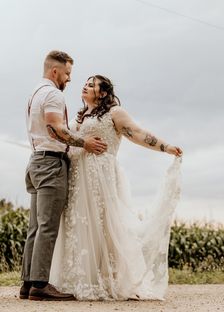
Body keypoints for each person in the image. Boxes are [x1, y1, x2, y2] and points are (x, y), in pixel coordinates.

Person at [49, 75, 183, 300]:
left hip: (100, 175)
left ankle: (106, 279)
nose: (86, 85)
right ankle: (79, 279)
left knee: (102, 225)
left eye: (92, 84)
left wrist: (166, 147)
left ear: (102, 93)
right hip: (77, 177)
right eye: (86, 82)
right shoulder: (80, 116)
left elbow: (138, 133)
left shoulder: (114, 112)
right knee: (78, 224)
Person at [20, 52, 107, 301]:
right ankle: (40, 285)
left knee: (35, 227)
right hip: (50, 163)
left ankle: (27, 284)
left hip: (35, 161)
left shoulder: (35, 93)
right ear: (55, 71)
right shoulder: (53, 94)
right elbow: (55, 128)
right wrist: (84, 142)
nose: (69, 79)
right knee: (47, 227)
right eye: (68, 73)